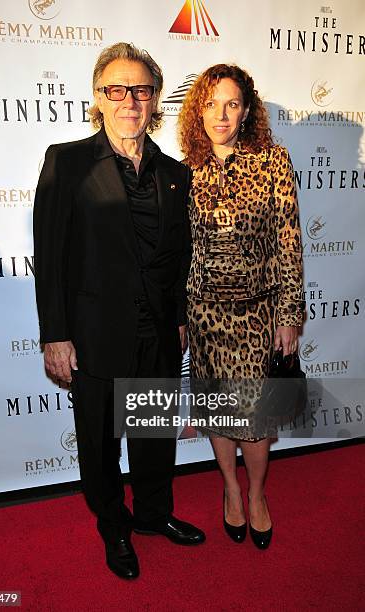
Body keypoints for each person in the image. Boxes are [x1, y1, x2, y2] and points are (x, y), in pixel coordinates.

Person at [33, 42, 205, 580]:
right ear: (99, 97)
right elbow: (50, 255)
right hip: (93, 333)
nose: (130, 99)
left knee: (153, 435)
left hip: (156, 332)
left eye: (141, 89)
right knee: (101, 445)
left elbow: (178, 256)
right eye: (118, 89)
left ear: (155, 100)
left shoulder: (174, 172)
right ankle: (114, 526)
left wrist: (176, 316)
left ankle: (154, 515)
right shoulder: (68, 161)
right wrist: (55, 335)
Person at [177, 64, 304, 549]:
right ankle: (230, 488)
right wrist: (181, 319)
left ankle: (255, 495)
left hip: (257, 314)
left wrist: (289, 316)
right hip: (206, 317)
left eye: (232, 103)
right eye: (210, 103)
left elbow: (288, 242)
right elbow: (180, 251)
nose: (221, 114)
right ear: (198, 110)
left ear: (247, 109)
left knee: (254, 421)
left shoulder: (273, 161)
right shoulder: (184, 168)